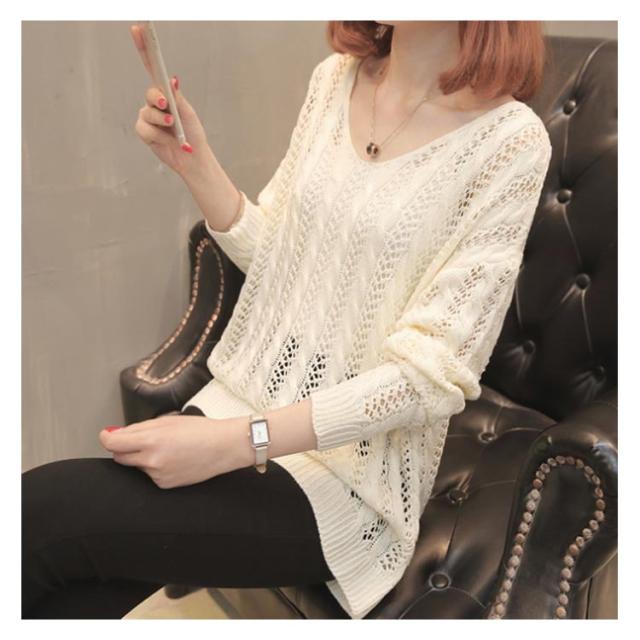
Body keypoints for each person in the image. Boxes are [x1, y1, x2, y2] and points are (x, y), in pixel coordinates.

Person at [22, 20, 553, 619]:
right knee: (59, 587)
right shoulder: (335, 81)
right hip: (240, 407)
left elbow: (428, 378)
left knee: (40, 514)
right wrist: (194, 163)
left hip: (350, 481)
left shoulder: (510, 142)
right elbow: (280, 260)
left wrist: (235, 443)